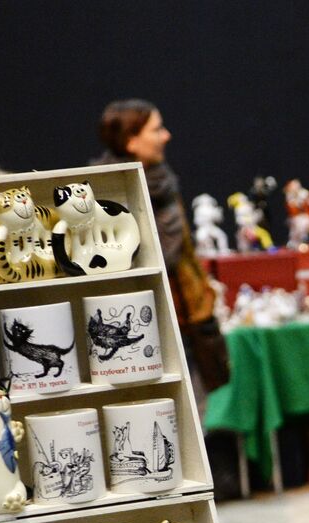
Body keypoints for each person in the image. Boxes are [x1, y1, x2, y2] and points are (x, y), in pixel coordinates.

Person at [94, 100, 229, 401]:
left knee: (194, 418)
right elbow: (156, 258)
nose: (165, 136)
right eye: (156, 129)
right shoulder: (106, 193)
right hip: (140, 323)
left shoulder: (162, 183)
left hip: (185, 322)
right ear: (131, 139)